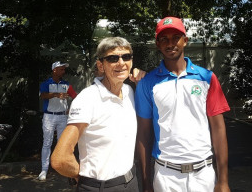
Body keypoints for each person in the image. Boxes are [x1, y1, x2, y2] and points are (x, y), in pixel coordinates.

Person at [135, 17, 231, 192]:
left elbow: (218, 128)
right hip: (165, 176)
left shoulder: (207, 78)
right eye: (164, 39)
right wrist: (146, 183)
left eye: (175, 37)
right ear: (158, 44)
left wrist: (223, 181)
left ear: (185, 41)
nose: (170, 43)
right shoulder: (147, 83)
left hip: (203, 174)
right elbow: (143, 134)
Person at [51, 37, 145, 191]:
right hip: (101, 187)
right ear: (101, 65)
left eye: (126, 57)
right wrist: (83, 179)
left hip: (132, 183)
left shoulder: (129, 91)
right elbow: (59, 159)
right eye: (113, 58)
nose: (121, 63)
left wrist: (141, 79)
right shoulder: (88, 98)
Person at [38, 61, 78, 181]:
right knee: (47, 143)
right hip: (49, 116)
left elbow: (76, 97)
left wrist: (71, 108)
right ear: (54, 70)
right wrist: (55, 94)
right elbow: (43, 95)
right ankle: (44, 170)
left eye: (63, 69)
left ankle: (62, 169)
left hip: (62, 117)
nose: (63, 71)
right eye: (61, 69)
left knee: (62, 143)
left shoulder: (66, 84)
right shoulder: (46, 83)